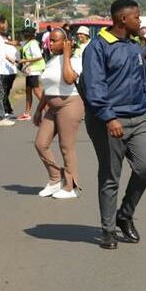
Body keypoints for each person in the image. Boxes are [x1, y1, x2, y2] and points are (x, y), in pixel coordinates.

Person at [82, 0, 146, 249]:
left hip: (139, 117)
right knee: (110, 176)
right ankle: (108, 230)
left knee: (145, 167)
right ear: (122, 19)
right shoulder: (97, 47)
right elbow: (95, 87)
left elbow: (144, 83)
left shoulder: (135, 47)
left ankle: (124, 214)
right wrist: (109, 117)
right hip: (109, 121)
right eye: (137, 17)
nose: (140, 21)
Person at [33, 29, 85, 199]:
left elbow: (69, 79)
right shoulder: (51, 61)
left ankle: (71, 187)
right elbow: (48, 89)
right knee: (40, 143)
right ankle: (56, 178)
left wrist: (67, 55)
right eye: (50, 40)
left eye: (55, 40)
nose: (50, 43)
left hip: (70, 105)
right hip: (52, 107)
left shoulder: (75, 60)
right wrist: (39, 110)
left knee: (66, 147)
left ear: (65, 42)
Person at [16, 27, 45, 121]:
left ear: (28, 34)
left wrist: (24, 60)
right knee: (28, 91)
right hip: (29, 71)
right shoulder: (28, 42)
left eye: (24, 33)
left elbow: (39, 57)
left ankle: (49, 110)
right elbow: (17, 43)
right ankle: (27, 113)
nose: (23, 35)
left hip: (34, 70)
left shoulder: (33, 44)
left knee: (37, 91)